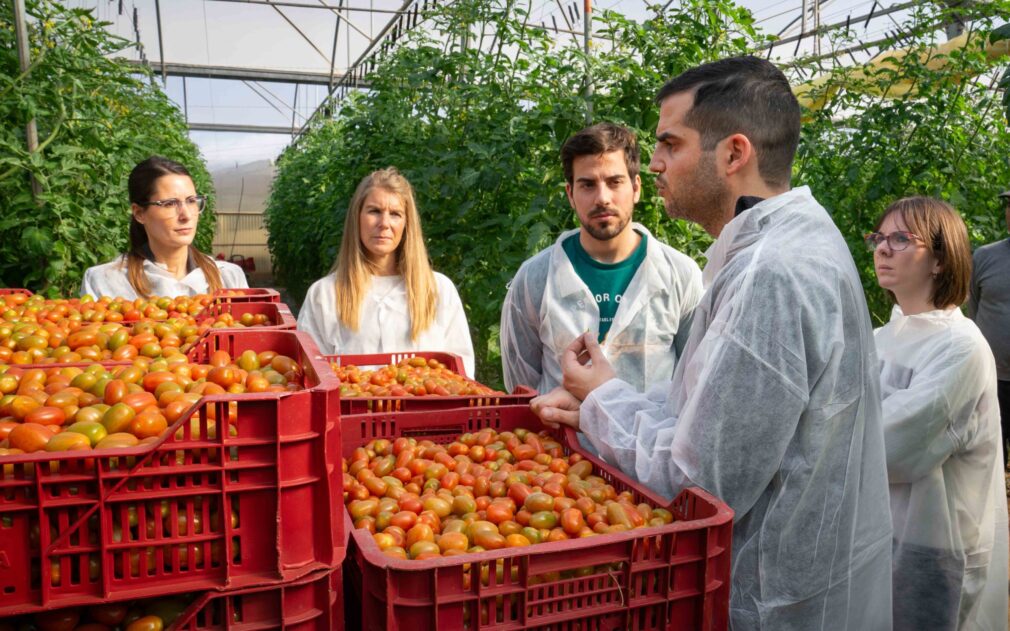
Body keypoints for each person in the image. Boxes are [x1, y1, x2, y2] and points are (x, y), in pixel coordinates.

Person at [531, 56, 893, 630]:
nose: (653, 165)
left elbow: (701, 481)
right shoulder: (795, 242)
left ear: (733, 153)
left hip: (772, 597)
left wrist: (602, 398)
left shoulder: (771, 274)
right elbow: (710, 418)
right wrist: (601, 401)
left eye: (670, 145)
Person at [869, 197, 1008, 631]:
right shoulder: (878, 339)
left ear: (940, 261)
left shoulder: (960, 347)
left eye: (899, 238)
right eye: (878, 237)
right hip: (878, 535)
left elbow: (893, 447)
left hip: (934, 549)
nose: (881, 248)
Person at [499, 122, 702, 395]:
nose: (602, 198)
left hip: (652, 438)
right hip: (558, 439)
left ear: (636, 188)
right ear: (570, 194)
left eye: (614, 182)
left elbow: (696, 381)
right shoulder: (535, 278)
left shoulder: (680, 275)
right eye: (587, 185)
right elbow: (522, 391)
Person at [297, 167, 475, 376]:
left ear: (407, 224)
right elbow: (311, 376)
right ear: (357, 217)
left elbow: (462, 374)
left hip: (425, 410)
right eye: (374, 211)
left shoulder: (438, 290)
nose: (384, 224)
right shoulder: (325, 294)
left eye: (395, 214)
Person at [81, 156, 248, 299]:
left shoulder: (228, 277)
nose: (186, 215)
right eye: (169, 204)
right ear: (139, 213)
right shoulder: (105, 281)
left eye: (191, 201)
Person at [968, 188, 1010, 462]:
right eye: (1008, 205)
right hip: (991, 381)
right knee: (987, 460)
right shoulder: (984, 257)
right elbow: (973, 313)